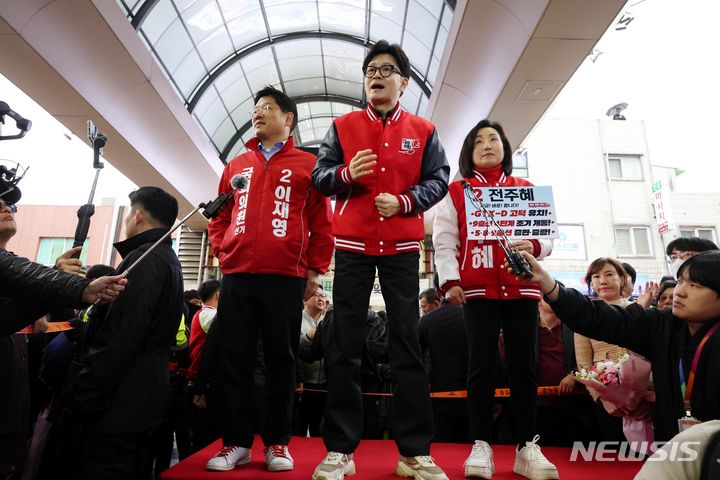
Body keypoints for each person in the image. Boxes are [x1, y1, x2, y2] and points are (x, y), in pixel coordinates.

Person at [312, 39, 450, 480]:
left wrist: (407, 203)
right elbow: (320, 176)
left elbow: (439, 180)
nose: (376, 74)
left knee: (407, 344)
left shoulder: (424, 130)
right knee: (344, 346)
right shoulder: (343, 124)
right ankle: (340, 450)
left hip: (403, 248)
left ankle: (413, 452)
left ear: (404, 82)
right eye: (371, 68)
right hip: (351, 246)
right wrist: (347, 175)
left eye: (387, 69)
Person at [206, 86, 333, 473]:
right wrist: (223, 252)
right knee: (236, 359)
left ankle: (278, 443)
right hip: (238, 273)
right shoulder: (236, 165)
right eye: (255, 109)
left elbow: (321, 223)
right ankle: (236, 443)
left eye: (267, 109)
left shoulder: (308, 164)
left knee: (282, 359)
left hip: (286, 276)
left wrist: (315, 269)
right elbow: (218, 216)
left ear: (287, 118)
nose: (257, 114)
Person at [432, 119, 556, 480]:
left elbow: (548, 235)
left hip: (522, 287)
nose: (488, 145)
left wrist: (533, 245)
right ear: (469, 152)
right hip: (477, 289)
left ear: (505, 148)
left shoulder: (526, 188)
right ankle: (480, 443)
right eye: (479, 141)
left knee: (525, 366)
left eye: (494, 139)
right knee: (480, 366)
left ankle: (526, 447)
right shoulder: (458, 191)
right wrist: (449, 280)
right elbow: (444, 240)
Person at [518, 249, 720, 444]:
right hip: (673, 445)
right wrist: (549, 284)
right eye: (681, 281)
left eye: (695, 285)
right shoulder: (662, 324)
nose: (680, 292)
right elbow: (597, 317)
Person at [55, 186, 184, 479]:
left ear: (137, 216)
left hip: (116, 405)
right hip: (141, 398)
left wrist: (81, 395)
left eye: (129, 216)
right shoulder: (168, 259)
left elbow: (120, 336)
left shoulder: (143, 260)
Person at [574, 258, 632, 442]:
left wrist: (647, 394)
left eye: (609, 274)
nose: (602, 281)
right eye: (596, 276)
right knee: (614, 459)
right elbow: (583, 364)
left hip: (644, 399)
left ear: (622, 279)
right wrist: (602, 398)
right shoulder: (584, 317)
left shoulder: (639, 311)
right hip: (607, 401)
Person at [417, 286, 469, 443]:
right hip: (474, 394)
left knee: (443, 449)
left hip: (440, 395)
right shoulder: (474, 316)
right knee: (474, 447)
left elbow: (416, 359)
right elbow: (490, 356)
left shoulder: (425, 322)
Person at [293, 285, 328, 437]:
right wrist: (307, 337)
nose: (321, 298)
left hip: (324, 383)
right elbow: (291, 347)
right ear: (305, 299)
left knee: (319, 427)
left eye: (323, 295)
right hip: (301, 384)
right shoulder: (296, 319)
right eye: (317, 295)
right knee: (298, 425)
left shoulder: (327, 321)